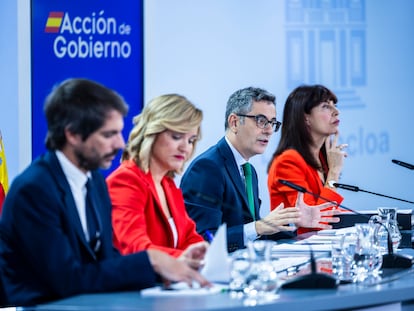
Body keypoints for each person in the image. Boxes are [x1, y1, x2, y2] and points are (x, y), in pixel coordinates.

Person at [0, 79, 209, 307]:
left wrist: (164, 267)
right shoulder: (35, 189)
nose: (121, 143)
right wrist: (151, 261)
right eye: (109, 135)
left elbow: (106, 260)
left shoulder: (95, 183)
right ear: (73, 134)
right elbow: (65, 280)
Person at [180, 86, 338, 252]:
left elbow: (256, 233)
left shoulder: (248, 170)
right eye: (261, 121)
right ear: (234, 122)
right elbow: (201, 239)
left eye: (272, 123)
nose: (269, 130)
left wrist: (294, 224)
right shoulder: (207, 168)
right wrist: (257, 227)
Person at [106, 94, 208, 269]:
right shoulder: (126, 180)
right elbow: (134, 248)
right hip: (135, 291)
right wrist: (184, 260)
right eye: (176, 137)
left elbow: (189, 238)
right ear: (151, 133)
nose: (185, 147)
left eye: (191, 140)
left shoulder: (168, 185)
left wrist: (207, 254)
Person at [267, 84, 347, 235]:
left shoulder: (322, 158)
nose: (336, 112)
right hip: (295, 252)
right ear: (306, 118)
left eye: (334, 105)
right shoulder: (288, 161)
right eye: (325, 106)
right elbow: (317, 224)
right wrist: (334, 173)